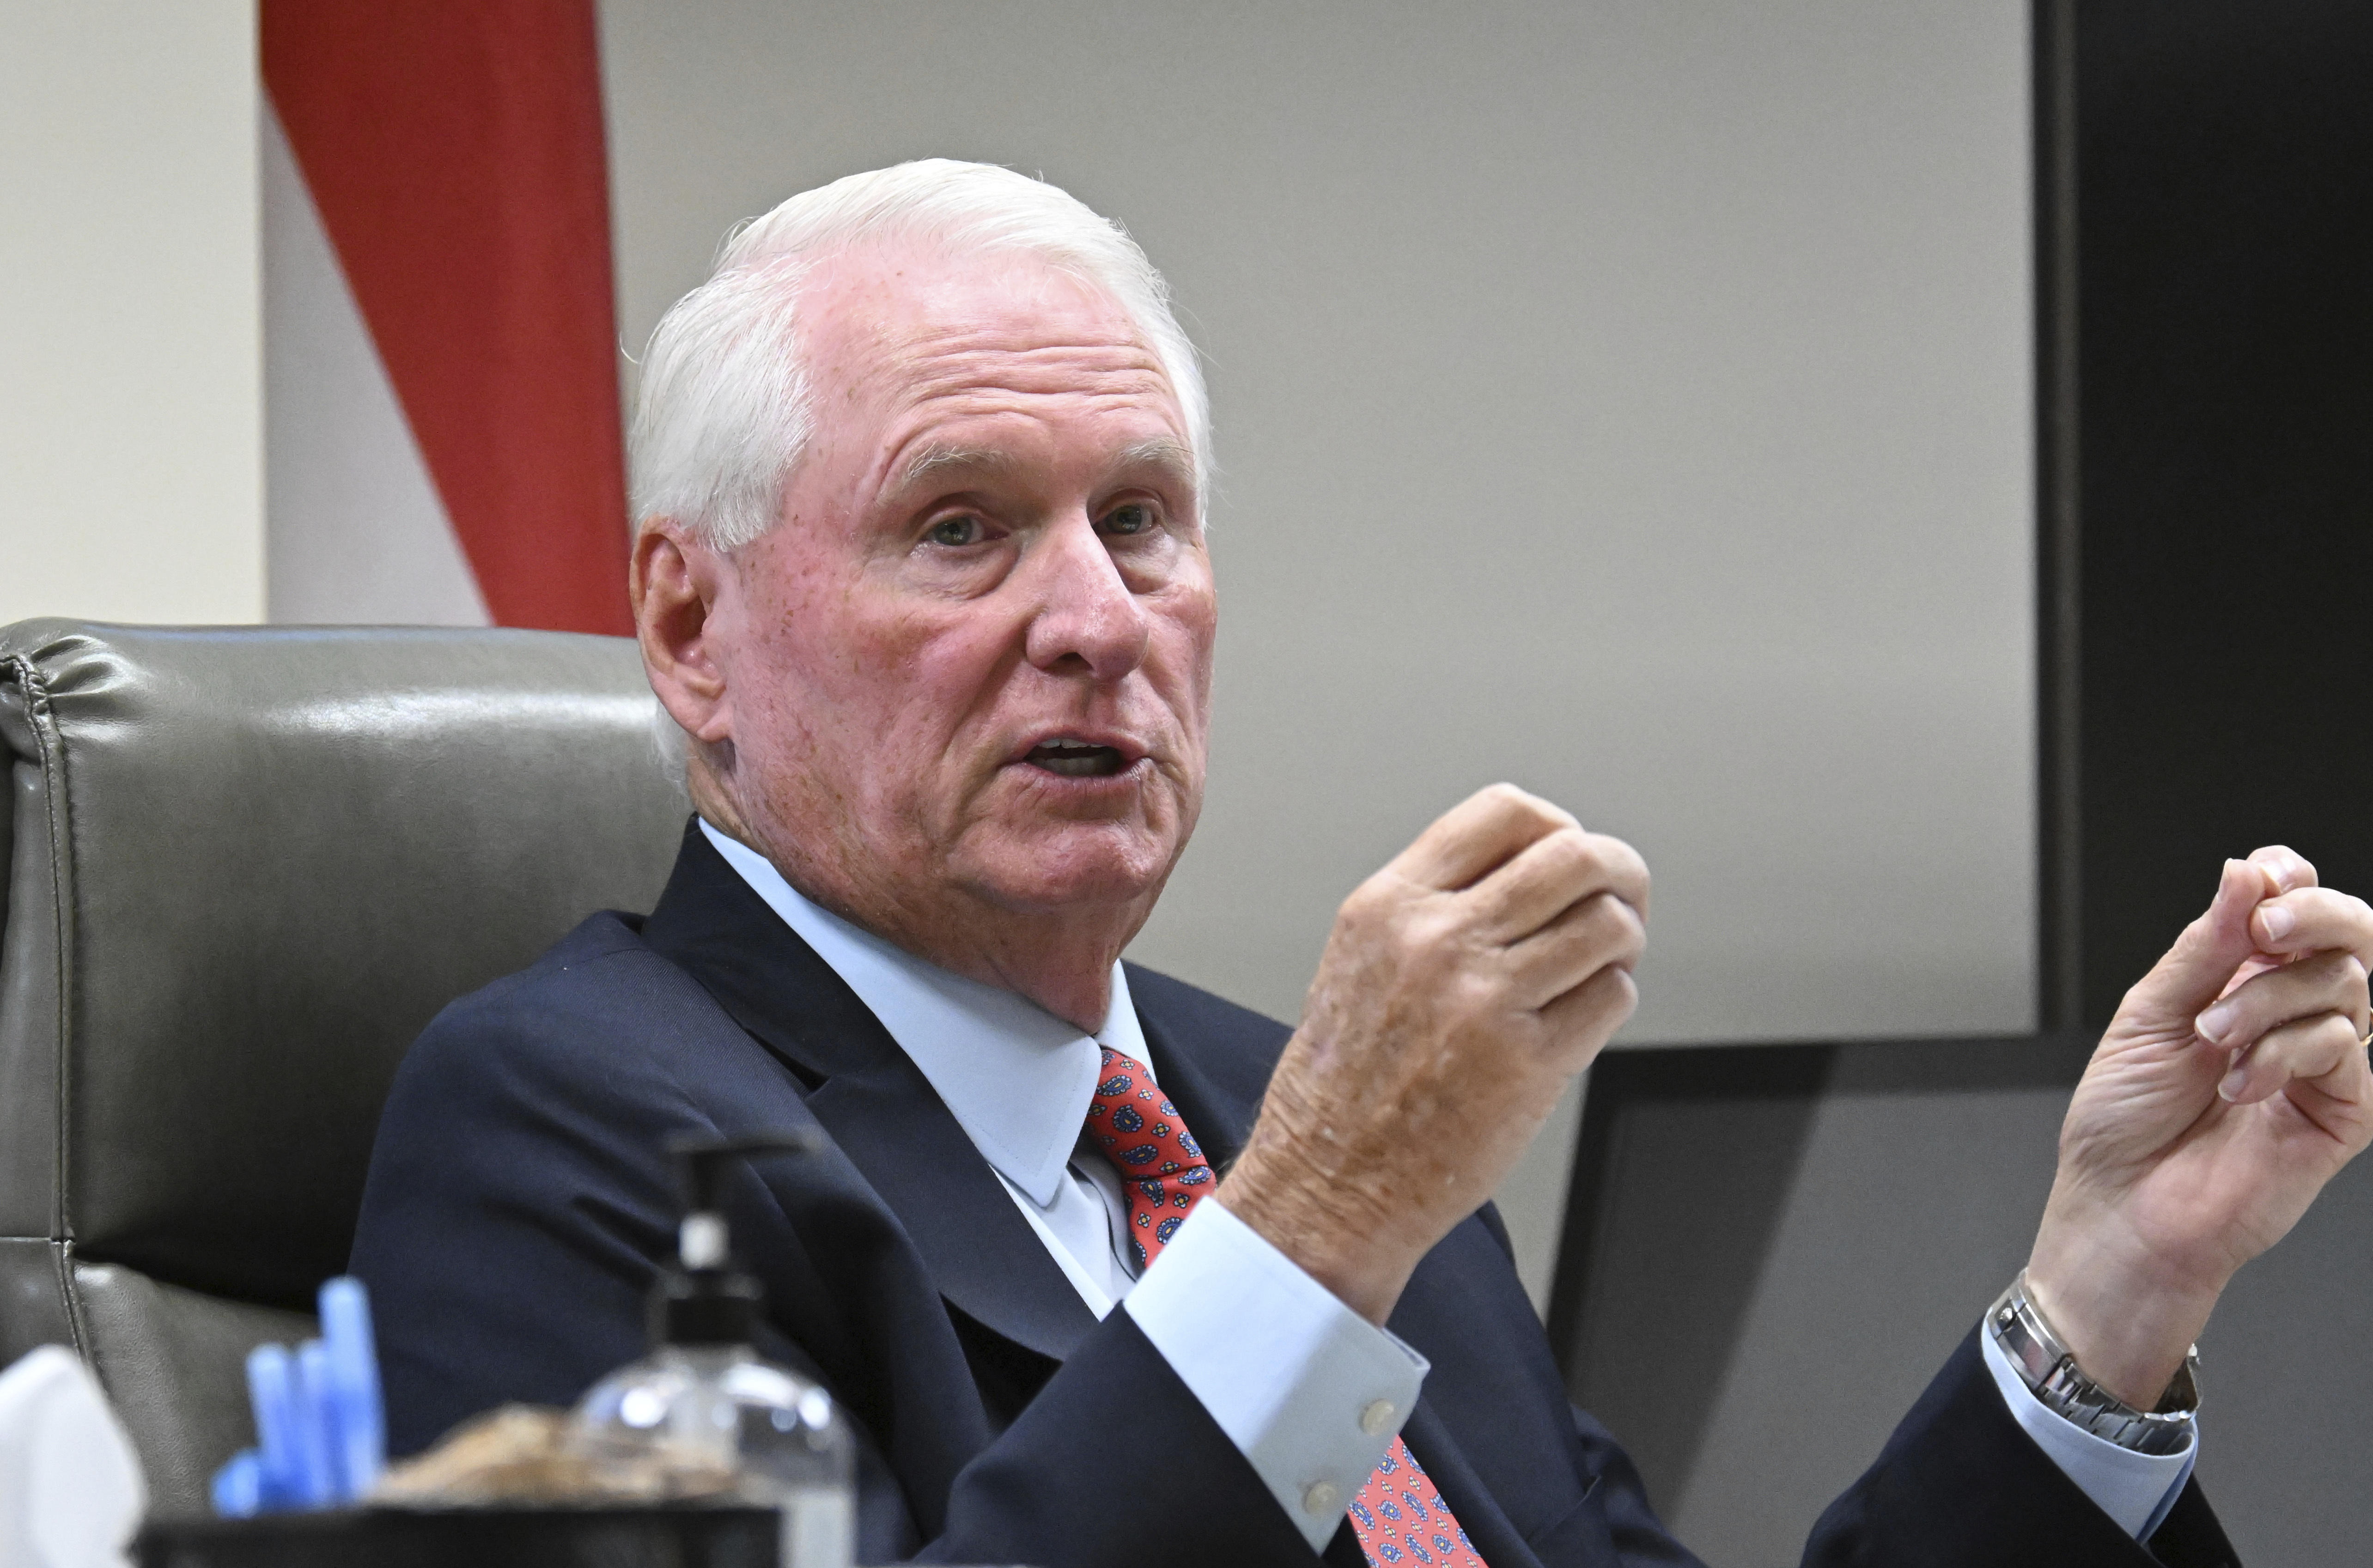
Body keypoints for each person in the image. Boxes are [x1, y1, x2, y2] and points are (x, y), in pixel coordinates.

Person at [350, 160, 2372, 1568]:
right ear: (694, 633)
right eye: (961, 526)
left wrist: (2111, 1293)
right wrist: (1313, 1226)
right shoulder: (574, 1122)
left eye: (1140, 520)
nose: (1094, 618)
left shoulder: (1275, 1112)